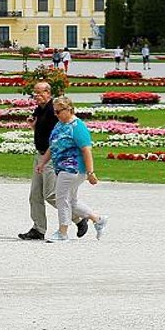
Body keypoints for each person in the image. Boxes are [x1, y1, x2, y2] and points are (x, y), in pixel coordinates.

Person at [18, 81, 88, 240]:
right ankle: (38, 229)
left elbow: (60, 135)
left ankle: (78, 218)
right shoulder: (40, 109)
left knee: (50, 194)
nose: (37, 96)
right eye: (35, 93)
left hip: (51, 157)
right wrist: (34, 126)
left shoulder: (53, 110)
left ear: (48, 93)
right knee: (35, 195)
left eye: (41, 92)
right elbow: (46, 133)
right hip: (40, 155)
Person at [37, 96, 108, 243]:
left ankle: (62, 232)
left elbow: (86, 150)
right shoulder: (60, 125)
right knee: (72, 201)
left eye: (58, 112)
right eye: (54, 112)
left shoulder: (77, 126)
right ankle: (98, 219)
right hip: (62, 167)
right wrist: (43, 162)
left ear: (69, 109)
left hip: (73, 168)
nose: (56, 115)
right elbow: (53, 145)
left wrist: (90, 173)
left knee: (62, 199)